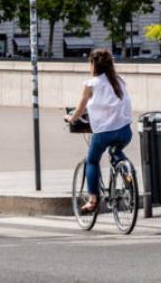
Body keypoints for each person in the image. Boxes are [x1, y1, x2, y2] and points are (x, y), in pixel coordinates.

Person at [64, 49, 133, 212]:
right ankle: (129, 180)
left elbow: (80, 109)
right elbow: (111, 104)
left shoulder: (91, 84)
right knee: (116, 152)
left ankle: (93, 199)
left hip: (104, 133)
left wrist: (71, 119)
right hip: (125, 131)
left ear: (93, 64)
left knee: (92, 161)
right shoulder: (120, 81)